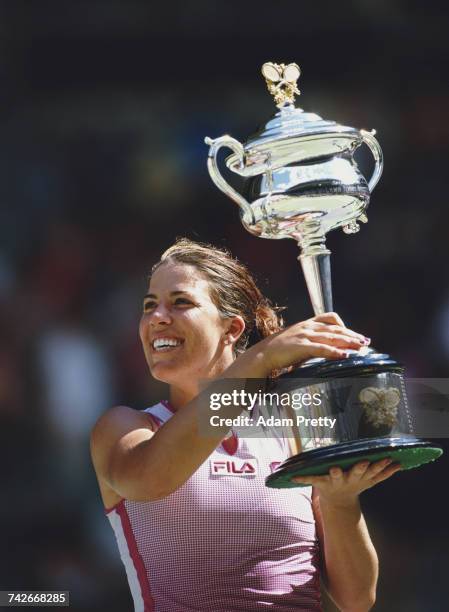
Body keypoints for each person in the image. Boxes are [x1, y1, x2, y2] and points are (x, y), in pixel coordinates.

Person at [90, 238, 401, 612]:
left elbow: (356, 599)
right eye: (149, 305)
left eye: (180, 302)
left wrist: (339, 501)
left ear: (232, 329)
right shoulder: (125, 427)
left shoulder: (292, 426)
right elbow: (147, 480)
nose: (157, 317)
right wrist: (261, 359)